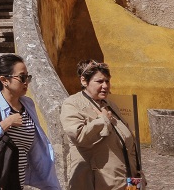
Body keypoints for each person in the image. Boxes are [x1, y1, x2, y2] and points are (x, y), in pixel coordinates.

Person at [0, 54, 61, 190]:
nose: (26, 82)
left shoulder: (28, 104)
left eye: (28, 78)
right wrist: (5, 123)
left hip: (17, 181)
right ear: (4, 80)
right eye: (22, 77)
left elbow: (35, 147)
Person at [60, 60, 144, 190]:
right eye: (99, 81)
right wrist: (103, 120)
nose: (105, 86)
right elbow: (78, 136)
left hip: (128, 182)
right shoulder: (72, 104)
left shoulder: (110, 105)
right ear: (84, 81)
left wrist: (138, 175)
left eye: (107, 81)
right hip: (99, 183)